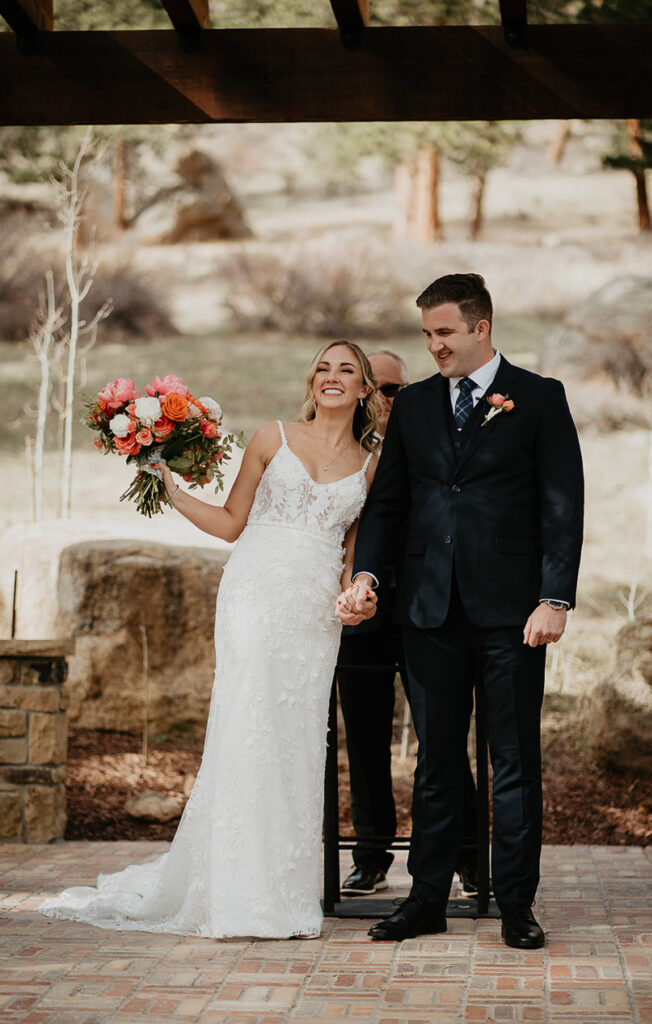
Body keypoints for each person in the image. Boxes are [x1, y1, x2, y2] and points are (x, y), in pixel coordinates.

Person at [40, 340, 381, 940]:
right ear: (312, 381)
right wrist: (169, 485)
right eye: (323, 368)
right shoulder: (272, 437)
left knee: (297, 739)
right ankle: (234, 892)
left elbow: (353, 552)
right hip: (252, 592)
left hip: (312, 612)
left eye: (346, 370)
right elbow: (230, 523)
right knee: (248, 725)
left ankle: (283, 894)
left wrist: (354, 598)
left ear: (363, 389)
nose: (332, 377)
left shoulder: (371, 462)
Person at [337, 274, 584, 949]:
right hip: (427, 610)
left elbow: (562, 505)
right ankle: (424, 900)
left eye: (443, 332)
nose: (433, 345)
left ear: (481, 328)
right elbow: (388, 505)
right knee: (436, 763)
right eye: (426, 334)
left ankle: (514, 905)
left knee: (513, 761)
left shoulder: (537, 398)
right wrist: (367, 576)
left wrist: (554, 598)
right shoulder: (414, 405)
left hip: (513, 615)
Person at [338, 351, 479, 899]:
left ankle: (467, 857)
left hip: (429, 607)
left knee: (440, 738)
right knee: (364, 739)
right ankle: (371, 856)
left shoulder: (436, 436)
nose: (383, 399)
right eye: (374, 388)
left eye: (394, 388)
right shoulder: (339, 451)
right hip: (361, 611)